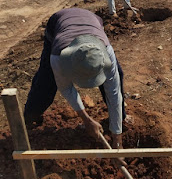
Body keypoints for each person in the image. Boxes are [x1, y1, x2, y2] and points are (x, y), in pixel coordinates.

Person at [24, 8, 126, 149]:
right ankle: (30, 117)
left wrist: (117, 140)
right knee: (46, 80)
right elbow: (66, 88)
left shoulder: (107, 54)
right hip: (58, 24)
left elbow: (114, 93)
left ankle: (119, 121)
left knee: (116, 78)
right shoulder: (58, 57)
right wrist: (86, 119)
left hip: (91, 21)